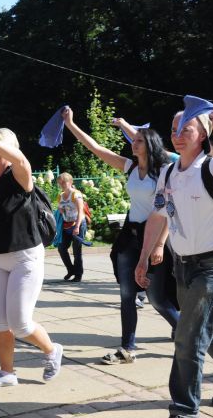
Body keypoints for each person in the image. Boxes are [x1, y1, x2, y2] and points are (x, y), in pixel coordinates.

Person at [135, 109, 213, 417]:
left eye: (184, 129)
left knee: (187, 338)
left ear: (202, 134)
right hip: (182, 265)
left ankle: (185, 410)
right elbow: (157, 216)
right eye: (173, 129)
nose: (176, 135)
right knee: (202, 329)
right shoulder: (169, 173)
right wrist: (143, 257)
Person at [63, 108, 179, 364]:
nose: (133, 144)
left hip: (157, 239)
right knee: (127, 294)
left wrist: (160, 245)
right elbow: (94, 147)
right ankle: (127, 348)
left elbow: (170, 211)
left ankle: (184, 331)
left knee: (157, 298)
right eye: (133, 140)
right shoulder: (129, 167)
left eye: (138, 140)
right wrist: (70, 124)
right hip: (131, 238)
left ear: (149, 144)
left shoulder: (165, 170)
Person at [0, 127, 63, 389]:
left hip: (24, 257)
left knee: (20, 322)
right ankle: (6, 373)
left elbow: (20, 160)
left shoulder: (20, 175)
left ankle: (51, 350)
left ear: (10, 149)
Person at [55, 172, 87, 282]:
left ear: (70, 182)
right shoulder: (60, 196)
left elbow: (80, 212)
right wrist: (61, 210)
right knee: (62, 248)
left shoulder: (76, 194)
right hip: (66, 225)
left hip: (78, 224)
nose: (62, 184)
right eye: (60, 183)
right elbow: (61, 209)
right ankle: (71, 270)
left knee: (77, 251)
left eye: (64, 182)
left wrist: (77, 227)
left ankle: (78, 274)